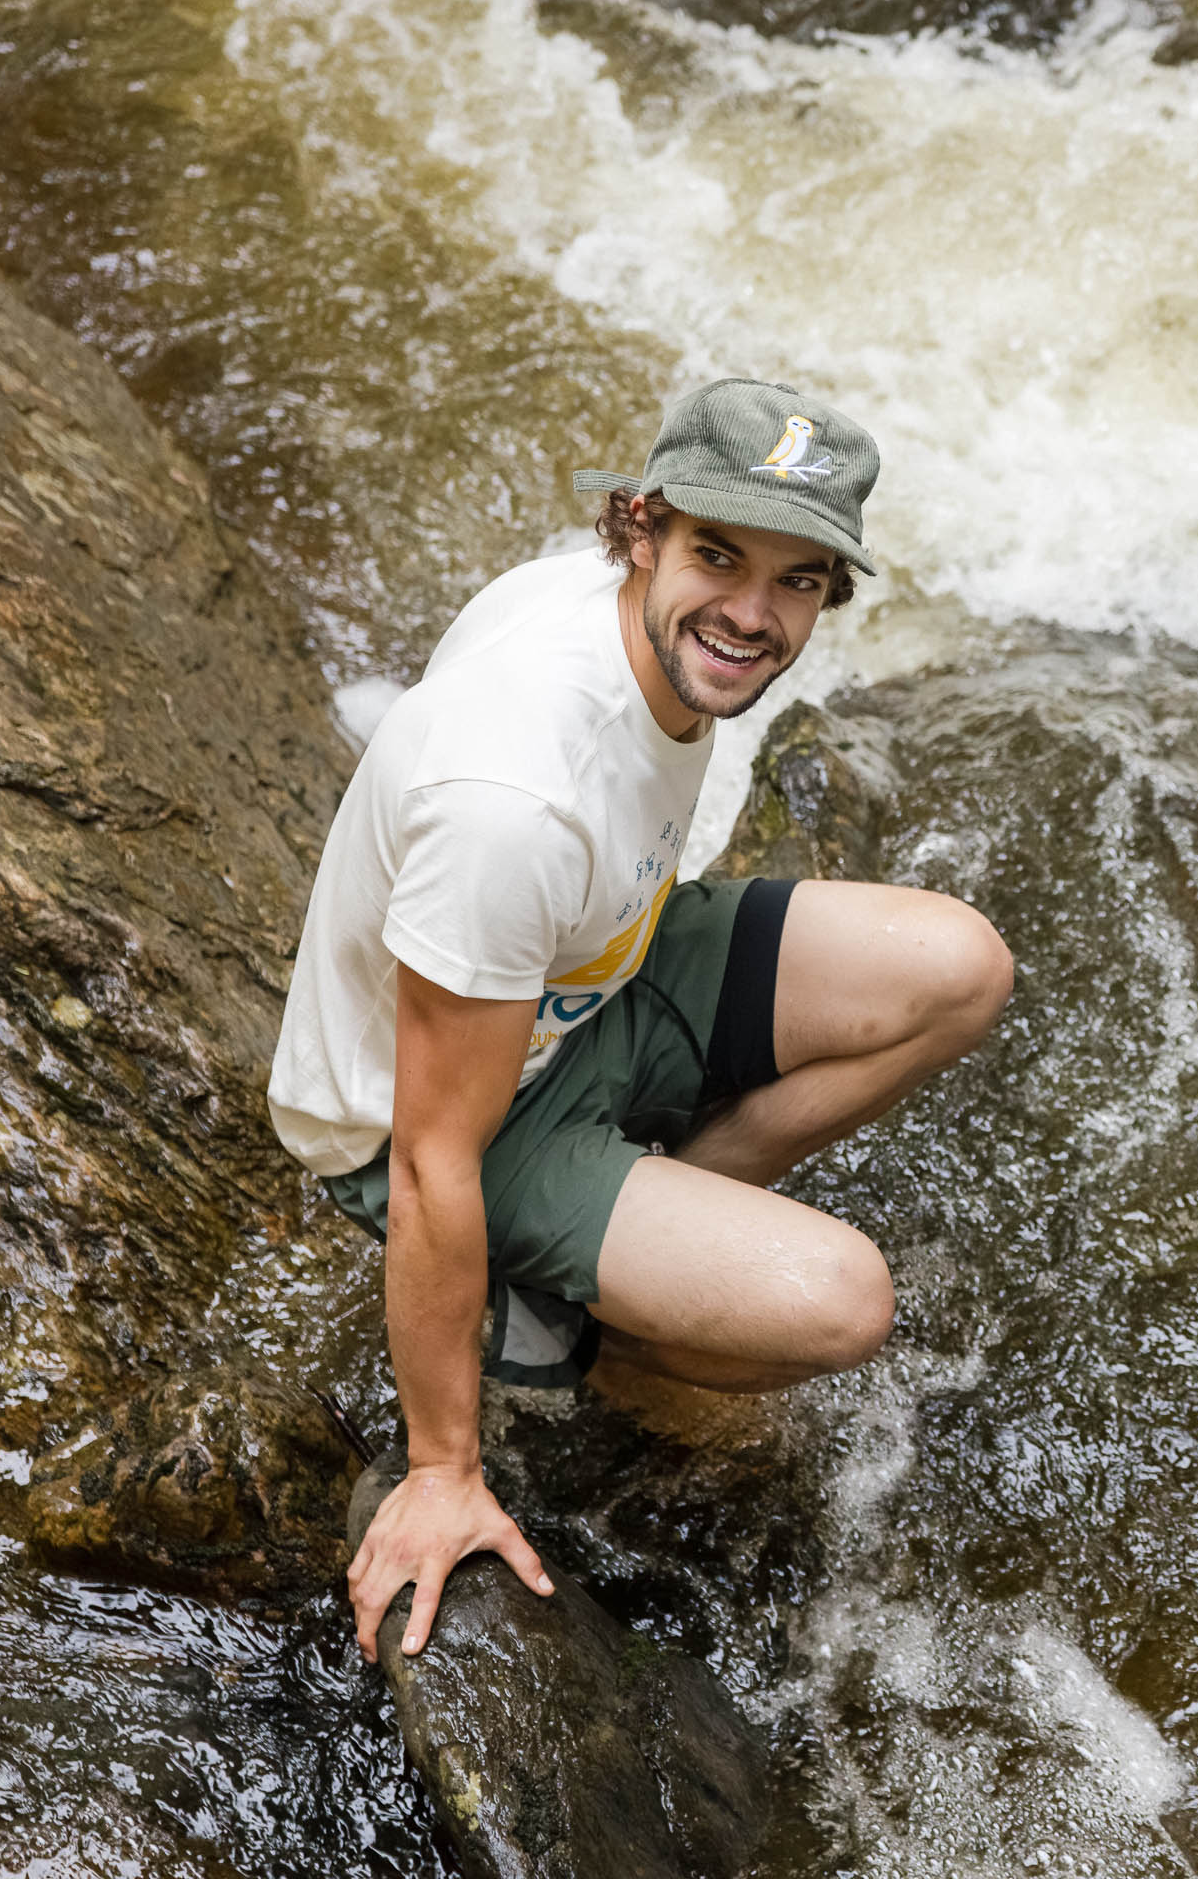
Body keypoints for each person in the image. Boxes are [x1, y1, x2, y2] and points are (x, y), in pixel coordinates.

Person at [267, 380, 1012, 1663]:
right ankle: (594, 1334)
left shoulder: (632, 631)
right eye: (717, 555)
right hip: (430, 1120)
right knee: (841, 1301)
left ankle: (671, 1212)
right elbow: (433, 1155)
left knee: (959, 965)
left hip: (591, 975)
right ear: (640, 528)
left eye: (795, 579)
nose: (749, 613)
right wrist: (443, 1466)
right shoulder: (513, 794)